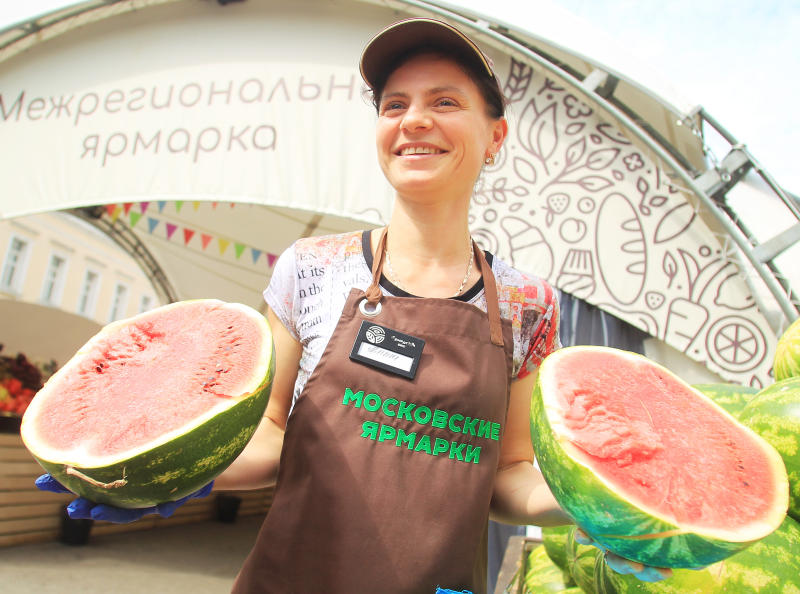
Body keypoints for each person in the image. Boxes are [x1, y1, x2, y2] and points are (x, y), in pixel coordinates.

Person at [37, 17, 673, 593]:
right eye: (394, 104)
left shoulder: (528, 302)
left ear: (494, 135)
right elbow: (270, 432)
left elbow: (507, 473)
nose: (413, 120)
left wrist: (594, 503)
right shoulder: (312, 267)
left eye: (444, 102)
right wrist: (179, 468)